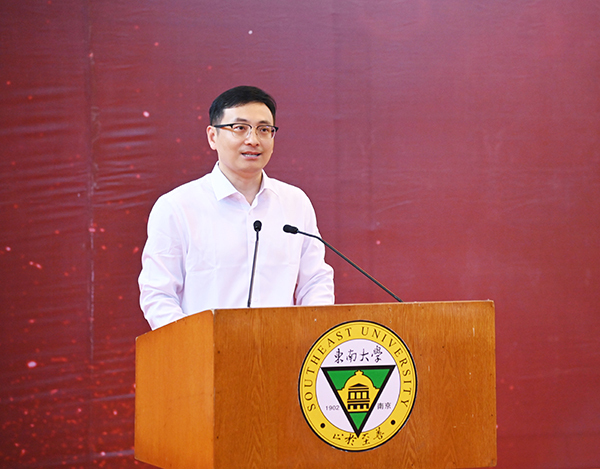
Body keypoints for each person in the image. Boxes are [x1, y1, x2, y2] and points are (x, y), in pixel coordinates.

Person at [138, 85, 334, 329]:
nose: (253, 140)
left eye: (264, 130)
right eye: (240, 128)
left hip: (284, 347)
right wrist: (195, 344)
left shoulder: (295, 202)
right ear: (213, 136)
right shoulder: (177, 207)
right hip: (207, 350)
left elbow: (315, 281)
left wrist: (311, 331)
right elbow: (158, 295)